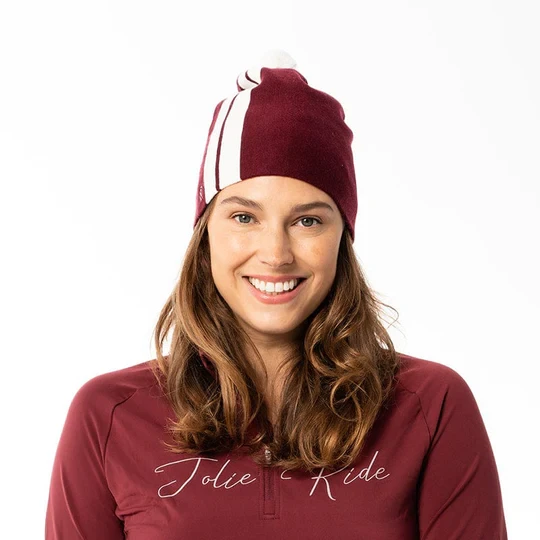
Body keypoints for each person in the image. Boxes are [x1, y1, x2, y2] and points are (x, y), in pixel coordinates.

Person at [45, 51, 507, 539]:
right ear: (206, 235)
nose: (275, 254)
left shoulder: (430, 406)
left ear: (342, 238)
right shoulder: (108, 415)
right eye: (244, 217)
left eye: (307, 221)